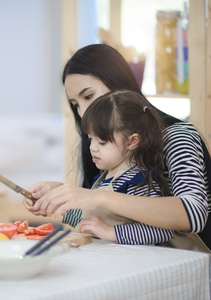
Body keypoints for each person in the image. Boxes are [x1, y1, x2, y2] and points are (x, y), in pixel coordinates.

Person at [23, 44, 211, 299]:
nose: (82, 112)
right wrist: (61, 199)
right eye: (75, 104)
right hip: (131, 268)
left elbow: (193, 214)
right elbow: (101, 217)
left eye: (88, 96)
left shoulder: (177, 136)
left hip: (190, 275)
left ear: (119, 84)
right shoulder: (105, 147)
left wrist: (97, 197)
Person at [72, 90, 174, 244]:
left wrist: (111, 232)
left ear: (132, 141)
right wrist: (55, 207)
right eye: (90, 139)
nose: (92, 147)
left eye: (102, 142)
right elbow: (88, 220)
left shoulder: (137, 179)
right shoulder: (104, 177)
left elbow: (161, 231)